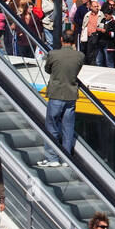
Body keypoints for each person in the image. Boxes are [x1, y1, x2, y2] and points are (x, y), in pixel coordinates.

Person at [37, 31, 84, 168]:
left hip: (56, 94)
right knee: (68, 127)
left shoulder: (53, 54)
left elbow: (47, 69)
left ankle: (52, 157)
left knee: (52, 126)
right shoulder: (80, 56)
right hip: (71, 95)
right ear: (74, 41)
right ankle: (66, 158)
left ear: (62, 39)